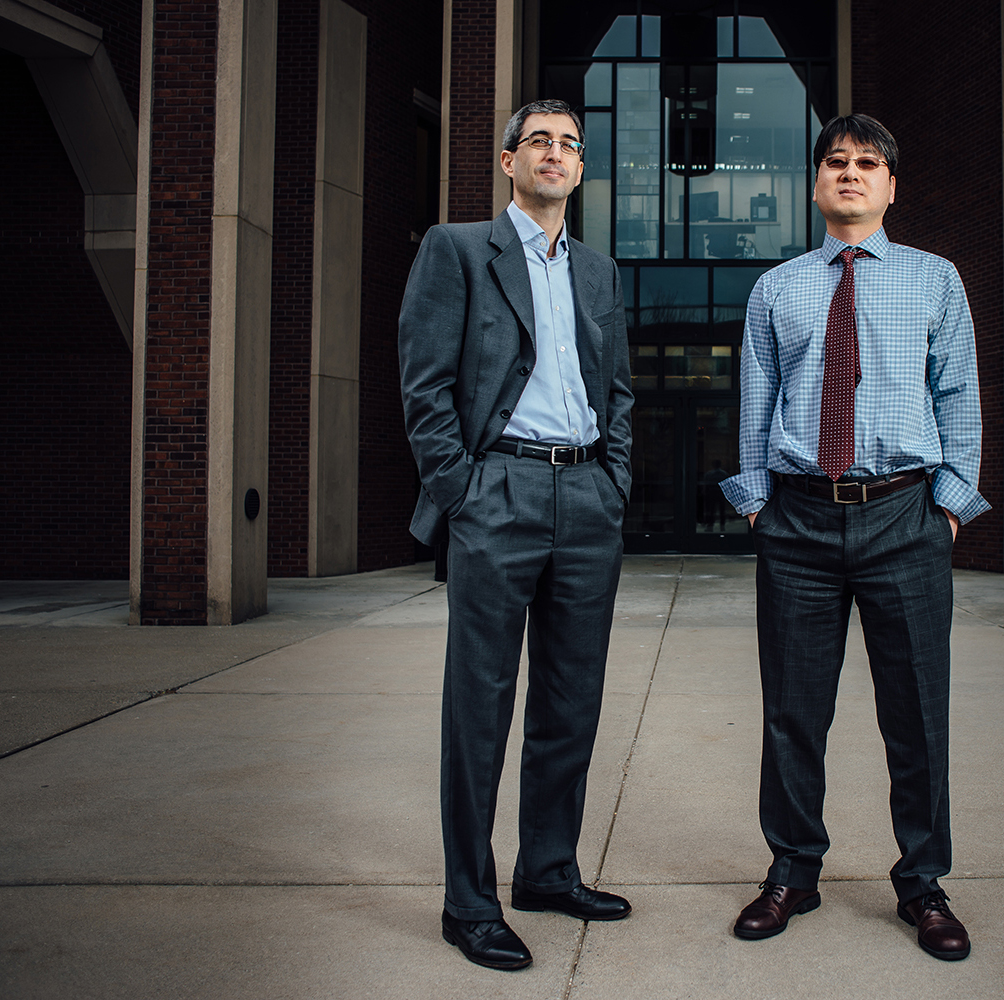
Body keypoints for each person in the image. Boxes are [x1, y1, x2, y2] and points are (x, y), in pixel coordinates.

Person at [719, 114, 989, 962]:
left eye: (866, 163)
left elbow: (961, 398)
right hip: (797, 520)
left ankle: (923, 882)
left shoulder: (936, 280)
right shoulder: (778, 288)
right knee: (794, 713)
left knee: (917, 713)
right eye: (834, 161)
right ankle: (794, 870)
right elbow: (754, 408)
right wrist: (759, 507)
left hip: (904, 517)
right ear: (815, 182)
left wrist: (946, 509)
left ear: (890, 185)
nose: (849, 173)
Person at [397, 99, 634, 972]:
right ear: (507, 161)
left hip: (586, 497)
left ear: (580, 169)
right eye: (540, 140)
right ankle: (469, 902)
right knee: (482, 702)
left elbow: (618, 392)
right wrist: (461, 489)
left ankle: (548, 871)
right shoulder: (456, 250)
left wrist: (615, 480)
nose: (557, 154)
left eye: (571, 146)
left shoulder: (601, 273)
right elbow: (423, 385)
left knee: (571, 701)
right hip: (498, 489)